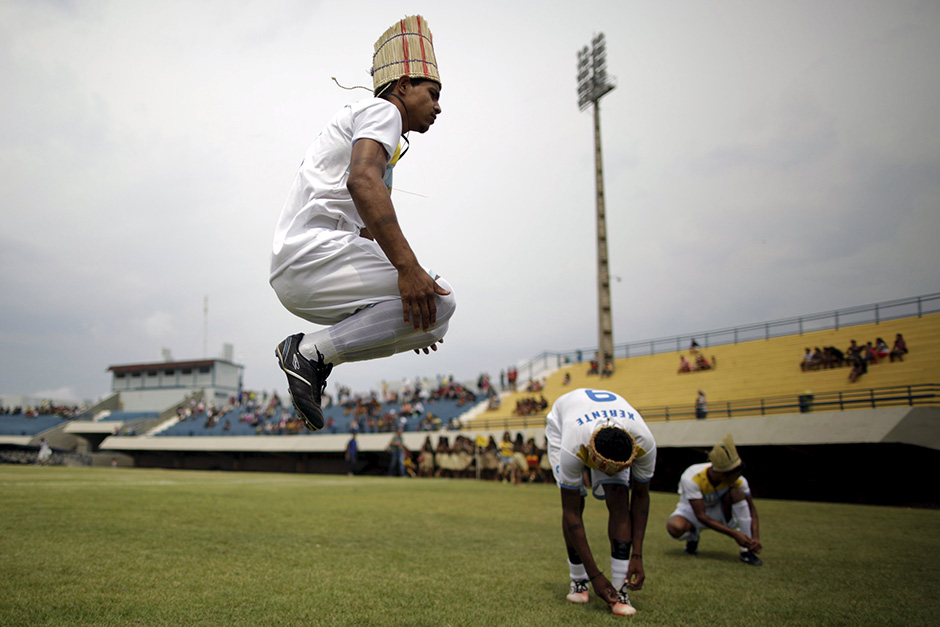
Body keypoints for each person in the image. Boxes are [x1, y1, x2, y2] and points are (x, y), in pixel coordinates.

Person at [270, 16, 455, 431]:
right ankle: (309, 352)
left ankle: (312, 354)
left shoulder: (378, 140)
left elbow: (368, 229)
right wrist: (409, 272)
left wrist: (405, 320)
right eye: (433, 92)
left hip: (300, 270)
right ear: (403, 85)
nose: (439, 106)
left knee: (429, 313)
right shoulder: (381, 111)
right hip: (315, 256)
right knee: (442, 300)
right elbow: (361, 181)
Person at [545, 388, 657, 617]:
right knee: (577, 501)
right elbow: (570, 511)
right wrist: (594, 575)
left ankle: (620, 588)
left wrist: (638, 555)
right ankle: (578, 580)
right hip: (564, 421)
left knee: (619, 497)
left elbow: (640, 497)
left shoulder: (645, 443)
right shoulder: (572, 445)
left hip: (602, 421)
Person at [666, 434, 762, 566]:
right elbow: (701, 516)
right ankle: (693, 537)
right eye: (734, 476)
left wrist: (755, 537)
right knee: (674, 527)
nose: (738, 478)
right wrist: (734, 534)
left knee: (738, 493)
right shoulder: (692, 476)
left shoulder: (739, 481)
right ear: (723, 475)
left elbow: (752, 509)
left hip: (720, 510)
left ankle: (747, 549)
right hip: (693, 512)